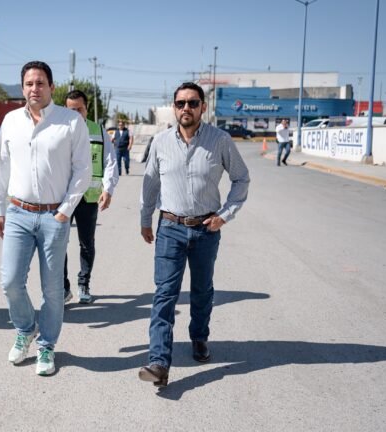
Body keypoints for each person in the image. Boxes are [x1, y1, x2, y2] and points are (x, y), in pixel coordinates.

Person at [138, 82, 250, 387]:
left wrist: (225, 215)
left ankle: (199, 337)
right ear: (174, 107)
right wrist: (145, 220)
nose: (185, 108)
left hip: (205, 230)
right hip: (169, 228)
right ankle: (159, 362)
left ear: (203, 107)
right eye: (180, 103)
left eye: (192, 103)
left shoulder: (220, 140)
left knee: (202, 291)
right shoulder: (160, 142)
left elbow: (241, 178)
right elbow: (150, 184)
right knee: (164, 294)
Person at [0, 61, 91, 376]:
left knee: (52, 289)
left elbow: (83, 170)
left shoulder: (71, 121)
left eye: (40, 83)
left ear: (52, 87)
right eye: (29, 83)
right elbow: (1, 166)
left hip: (53, 217)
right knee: (10, 282)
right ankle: (26, 328)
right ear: (23, 88)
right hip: (18, 213)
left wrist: (64, 211)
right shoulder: (10, 121)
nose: (34, 88)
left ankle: (47, 345)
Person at [62, 89, 118, 304]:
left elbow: (110, 161)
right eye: (71, 110)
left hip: (89, 198)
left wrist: (108, 189)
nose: (76, 114)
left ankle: (83, 283)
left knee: (86, 243)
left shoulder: (99, 131)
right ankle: (63, 288)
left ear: (86, 109)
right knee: (58, 243)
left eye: (80, 109)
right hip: (63, 198)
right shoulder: (58, 130)